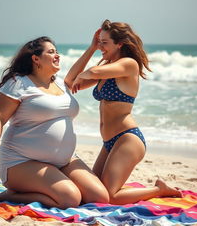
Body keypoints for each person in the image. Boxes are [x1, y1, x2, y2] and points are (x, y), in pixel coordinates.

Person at [0, 36, 109, 208]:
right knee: (70, 199)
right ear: (36, 58)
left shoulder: (62, 84)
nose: (57, 56)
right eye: (51, 52)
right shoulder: (19, 83)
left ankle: (50, 186)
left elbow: (91, 74)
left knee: (100, 198)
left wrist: (94, 48)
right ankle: (11, 195)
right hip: (21, 161)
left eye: (57, 52)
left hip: (64, 160)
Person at [65, 19, 182, 205]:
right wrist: (91, 48)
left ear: (120, 43)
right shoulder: (107, 68)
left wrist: (89, 72)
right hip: (109, 142)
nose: (101, 47)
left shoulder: (129, 64)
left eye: (104, 43)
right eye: (99, 42)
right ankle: (155, 189)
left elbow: (93, 72)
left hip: (127, 138)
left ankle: (159, 189)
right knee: (92, 193)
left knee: (109, 197)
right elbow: (70, 81)